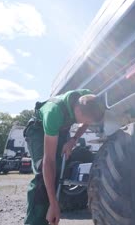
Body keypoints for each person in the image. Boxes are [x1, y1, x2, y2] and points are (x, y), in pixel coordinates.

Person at [23, 89, 105, 225]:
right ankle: (34, 221)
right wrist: (54, 204)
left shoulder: (87, 98)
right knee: (43, 177)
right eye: (85, 120)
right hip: (38, 130)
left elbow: (86, 122)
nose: (86, 124)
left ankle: (50, 214)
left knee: (57, 174)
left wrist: (73, 140)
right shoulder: (53, 112)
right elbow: (48, 161)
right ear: (77, 111)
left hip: (61, 129)